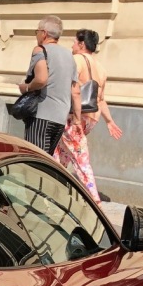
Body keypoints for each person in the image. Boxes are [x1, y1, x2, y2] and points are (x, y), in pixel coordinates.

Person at [54, 28, 123, 202]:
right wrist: (109, 121)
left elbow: (70, 87)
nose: (72, 45)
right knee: (60, 155)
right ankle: (53, 191)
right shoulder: (100, 68)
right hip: (91, 118)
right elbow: (100, 99)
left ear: (82, 44)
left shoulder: (77, 60)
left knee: (80, 158)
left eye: (74, 42)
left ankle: (94, 200)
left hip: (74, 117)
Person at [17, 16, 78, 156]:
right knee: (46, 162)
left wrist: (25, 88)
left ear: (44, 33)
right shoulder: (69, 55)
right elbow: (75, 90)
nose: (36, 35)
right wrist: (77, 119)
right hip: (60, 118)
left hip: (42, 114)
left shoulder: (40, 50)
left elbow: (41, 79)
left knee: (35, 160)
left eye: (37, 31)